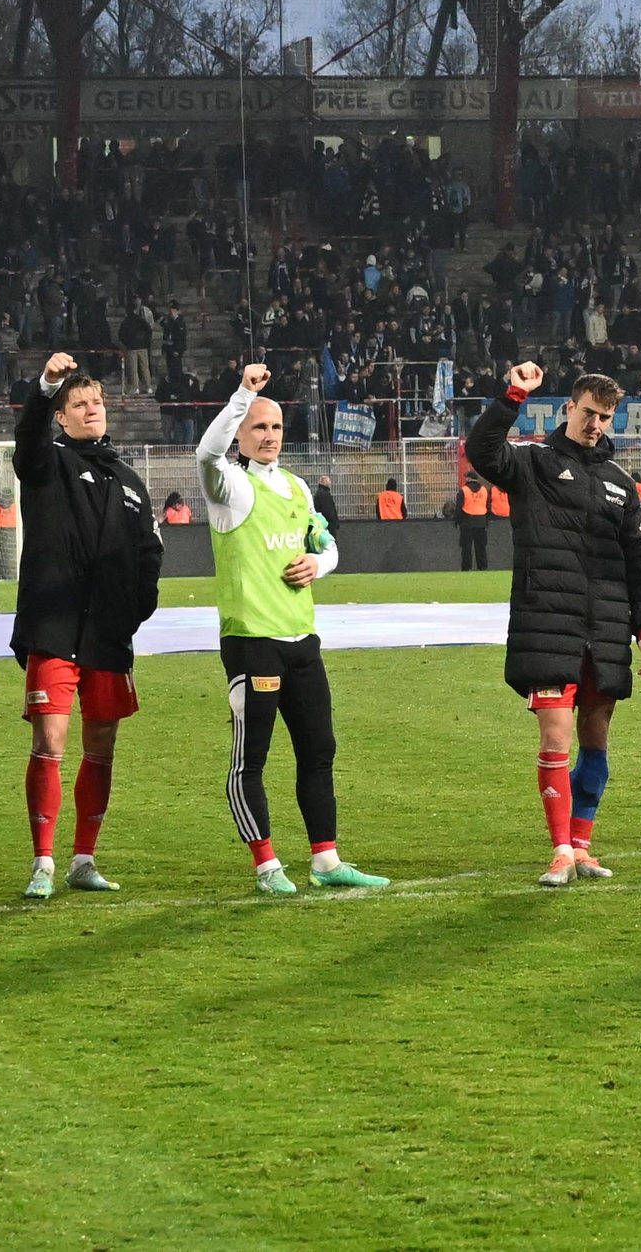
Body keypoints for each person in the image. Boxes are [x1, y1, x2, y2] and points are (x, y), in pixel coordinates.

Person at [197, 362, 387, 893]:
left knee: (319, 752)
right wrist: (242, 394)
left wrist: (318, 564)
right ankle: (267, 866)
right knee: (251, 760)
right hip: (252, 642)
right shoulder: (229, 486)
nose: (269, 435)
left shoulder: (298, 487)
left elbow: (327, 545)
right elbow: (206, 454)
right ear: (239, 433)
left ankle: (326, 861)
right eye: (258, 426)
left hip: (302, 642)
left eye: (276, 426)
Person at [468, 361, 641, 887]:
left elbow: (638, 562)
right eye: (588, 413)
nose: (595, 424)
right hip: (548, 625)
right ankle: (559, 851)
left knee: (596, 740)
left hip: (606, 631)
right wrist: (513, 395)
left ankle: (581, 845)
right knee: (555, 738)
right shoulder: (533, 463)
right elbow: (481, 451)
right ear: (569, 408)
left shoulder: (621, 483)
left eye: (605, 417)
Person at [12, 352, 164, 898]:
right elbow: (26, 438)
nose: (91, 409)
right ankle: (43, 863)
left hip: (108, 637)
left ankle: (83, 859)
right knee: (50, 741)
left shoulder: (128, 479)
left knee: (102, 746)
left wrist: (133, 610)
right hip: (54, 630)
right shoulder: (46, 462)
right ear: (61, 415)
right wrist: (45, 386)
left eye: (96, 401)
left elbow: (150, 552)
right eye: (78, 403)